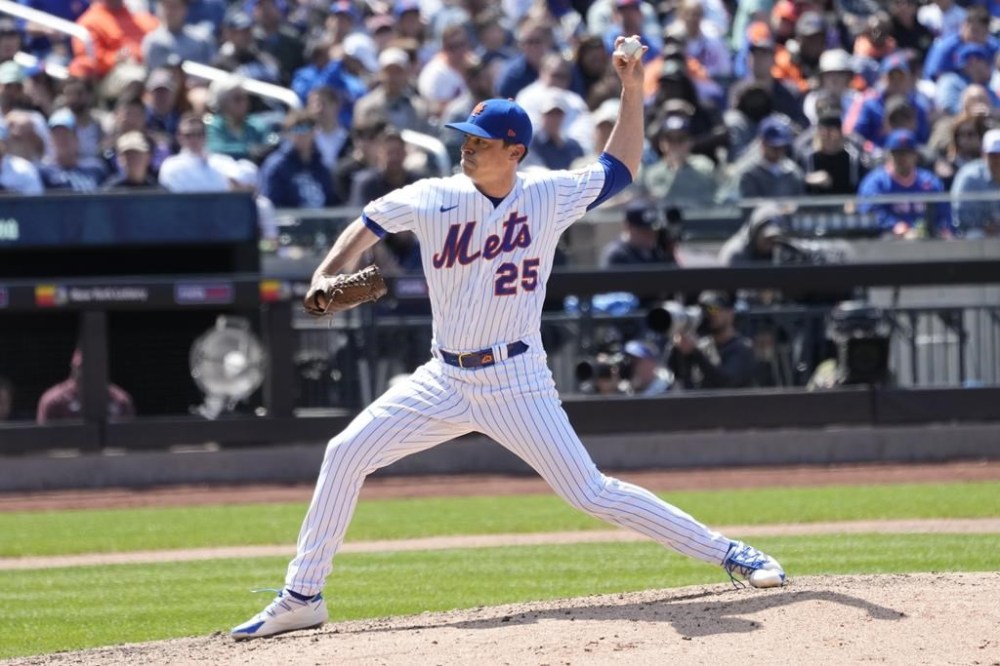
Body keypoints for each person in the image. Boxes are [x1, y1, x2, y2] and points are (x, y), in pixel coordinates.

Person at [231, 37, 786, 641]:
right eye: (465, 138)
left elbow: (621, 165)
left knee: (591, 493)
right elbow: (366, 222)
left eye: (480, 141)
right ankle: (303, 595)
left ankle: (731, 552)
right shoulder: (435, 195)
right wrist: (325, 271)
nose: (466, 147)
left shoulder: (548, 194)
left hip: (519, 379)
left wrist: (632, 85)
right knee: (345, 453)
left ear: (515, 152)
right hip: (443, 378)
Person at [857, 129, 952, 239]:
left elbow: (943, 212)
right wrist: (894, 225)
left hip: (927, 239)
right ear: (889, 155)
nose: (902, 158)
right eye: (897, 153)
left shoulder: (929, 181)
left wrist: (942, 230)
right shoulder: (876, 182)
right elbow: (870, 213)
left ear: (915, 155)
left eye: (907, 153)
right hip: (889, 241)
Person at [666, 291, 757, 390]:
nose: (710, 314)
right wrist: (677, 348)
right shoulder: (702, 346)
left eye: (714, 309)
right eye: (706, 310)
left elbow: (726, 382)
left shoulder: (742, 348)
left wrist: (695, 354)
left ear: (730, 313)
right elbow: (676, 376)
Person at [37, 349, 136, 423]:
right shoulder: (54, 401)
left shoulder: (120, 400)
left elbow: (130, 440)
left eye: (95, 366)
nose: (90, 372)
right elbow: (43, 443)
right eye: (83, 367)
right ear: (73, 369)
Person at [951, 128, 1000, 238]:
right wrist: (983, 225)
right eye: (993, 155)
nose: (997, 160)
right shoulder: (969, 177)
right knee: (975, 235)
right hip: (979, 234)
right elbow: (959, 216)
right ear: (983, 154)